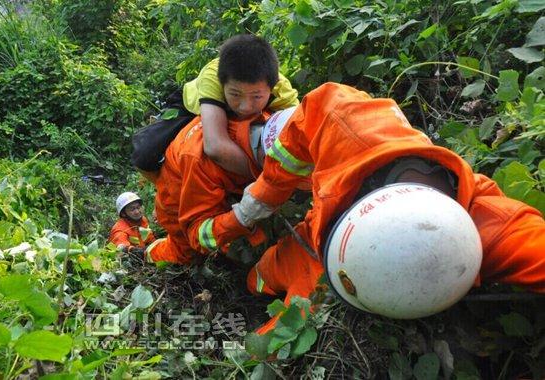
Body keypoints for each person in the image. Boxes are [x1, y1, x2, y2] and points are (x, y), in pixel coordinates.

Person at [223, 82, 545, 334]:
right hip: (334, 220)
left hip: (330, 254)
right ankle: (251, 281)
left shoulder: (495, 228)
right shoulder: (350, 123)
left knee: (274, 274)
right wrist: (263, 195)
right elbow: (314, 113)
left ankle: (253, 283)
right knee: (263, 272)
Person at [144, 107, 297, 265]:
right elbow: (198, 236)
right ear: (267, 159)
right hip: (178, 200)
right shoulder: (200, 161)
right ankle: (150, 252)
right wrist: (241, 216)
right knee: (186, 254)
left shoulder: (268, 121)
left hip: (217, 186)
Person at [179, 34, 299, 178]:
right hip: (199, 108)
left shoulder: (281, 89)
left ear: (272, 87)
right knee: (149, 154)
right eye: (235, 94)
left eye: (256, 96)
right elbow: (215, 147)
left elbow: (299, 134)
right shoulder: (213, 77)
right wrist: (267, 179)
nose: (245, 107)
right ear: (223, 84)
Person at [109, 192, 156, 257]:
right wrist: (134, 250)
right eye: (132, 209)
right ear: (123, 213)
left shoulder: (143, 220)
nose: (137, 212)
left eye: (138, 207)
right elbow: (122, 248)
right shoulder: (119, 229)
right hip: (131, 260)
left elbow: (150, 238)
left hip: (144, 254)